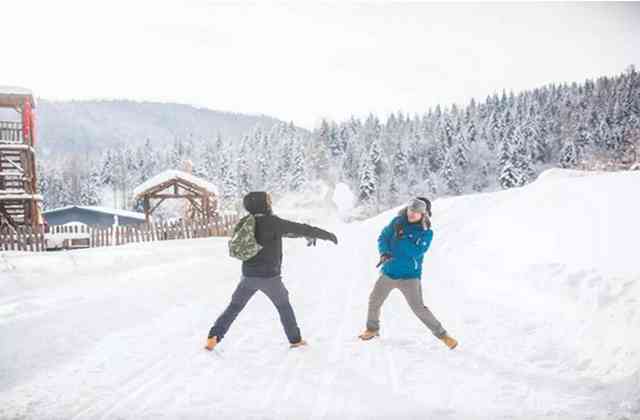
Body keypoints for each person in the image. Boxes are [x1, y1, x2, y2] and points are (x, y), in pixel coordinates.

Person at [205, 191, 338, 351]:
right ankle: (295, 340)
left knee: (234, 307)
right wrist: (327, 235)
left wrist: (304, 236)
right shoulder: (273, 222)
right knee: (284, 307)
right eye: (268, 200)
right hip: (270, 278)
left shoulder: (247, 222)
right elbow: (301, 228)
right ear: (263, 204)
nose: (270, 203)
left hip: (248, 277)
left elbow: (290, 232)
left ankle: (213, 337)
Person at [358, 197, 458, 350]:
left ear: (423, 215)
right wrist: (384, 252)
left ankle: (443, 335)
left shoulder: (426, 233)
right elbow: (383, 237)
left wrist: (401, 238)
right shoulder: (397, 222)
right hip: (389, 271)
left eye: (417, 212)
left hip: (410, 277)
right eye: (411, 210)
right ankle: (372, 329)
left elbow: (417, 251)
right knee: (374, 300)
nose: (412, 214)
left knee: (419, 308)